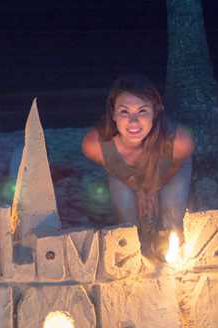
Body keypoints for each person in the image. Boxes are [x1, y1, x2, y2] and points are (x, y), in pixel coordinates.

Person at [81, 74, 194, 254]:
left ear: (155, 112)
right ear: (114, 114)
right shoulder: (94, 145)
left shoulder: (179, 142)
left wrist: (152, 190)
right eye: (124, 111)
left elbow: (173, 168)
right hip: (125, 176)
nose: (133, 121)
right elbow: (116, 169)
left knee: (171, 221)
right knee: (128, 228)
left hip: (168, 172)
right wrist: (139, 190)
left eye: (142, 111)